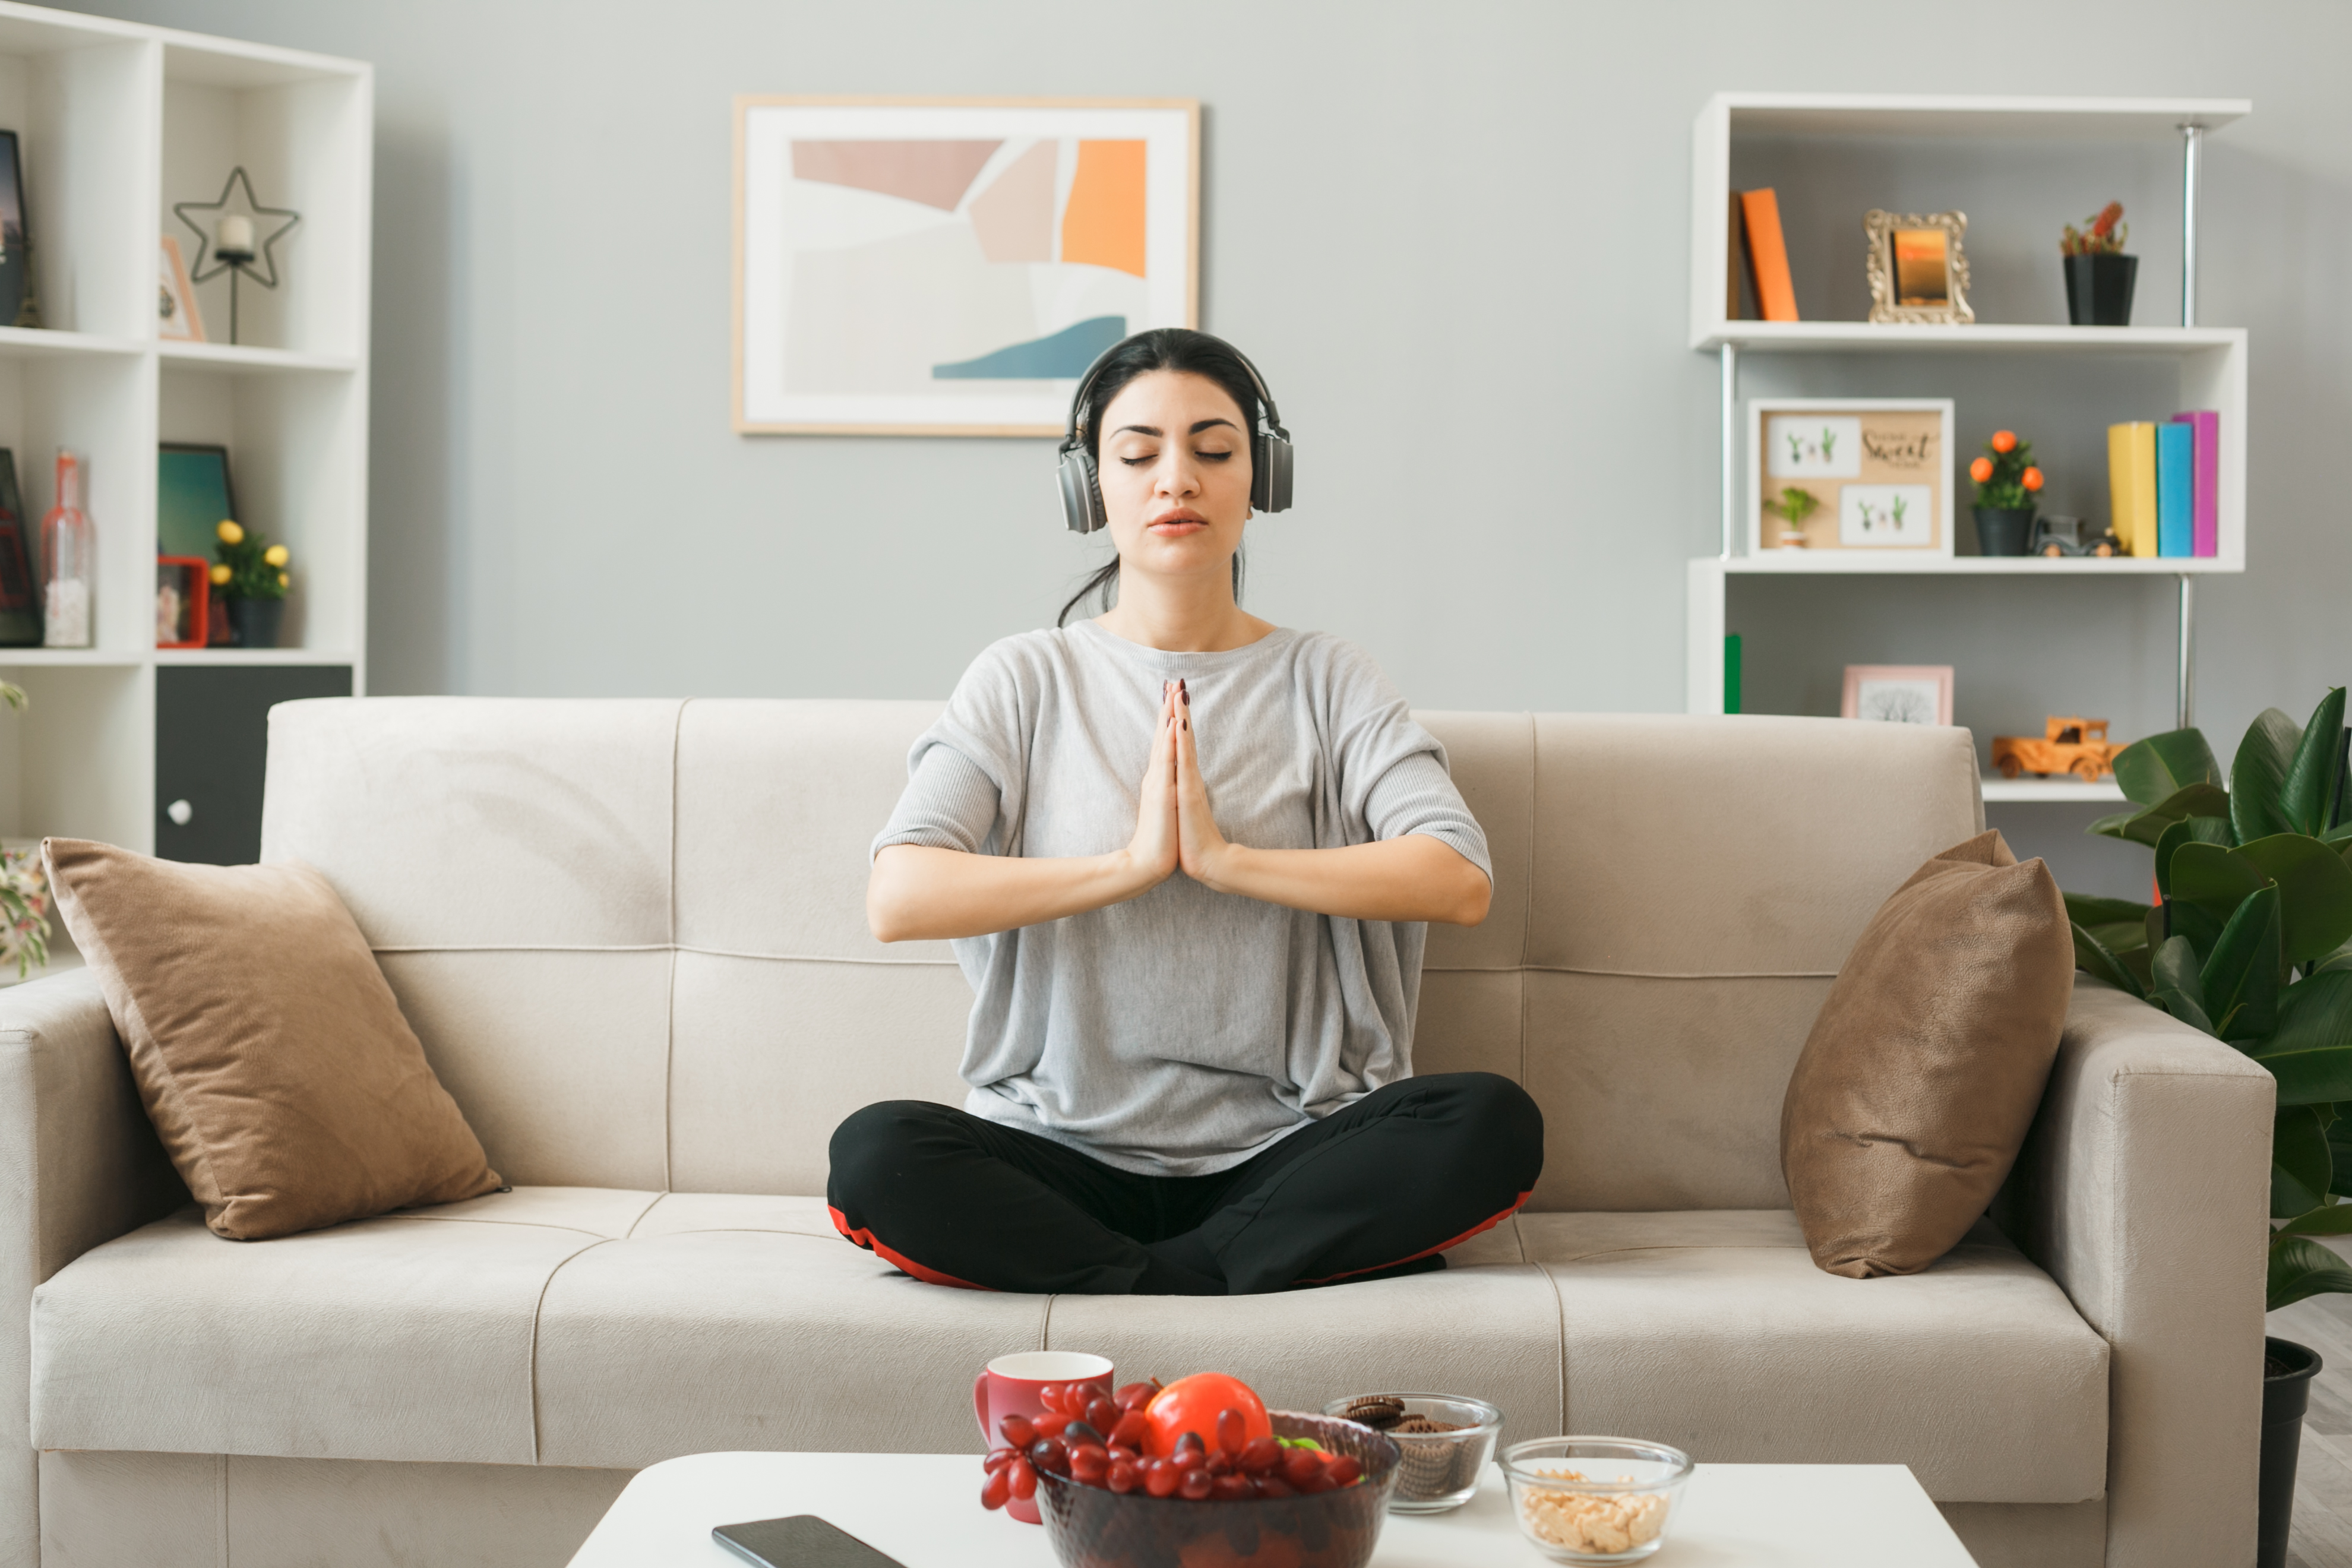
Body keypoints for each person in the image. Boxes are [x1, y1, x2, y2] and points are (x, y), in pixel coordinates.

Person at [826, 328, 1542, 1295]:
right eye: (1138, 454)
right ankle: (1213, 1277)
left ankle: (1139, 1282)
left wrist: (1223, 859)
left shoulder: (1327, 677)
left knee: (1491, 1124)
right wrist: (1129, 865)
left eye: (1213, 451)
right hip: (1062, 1153)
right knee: (876, 1154)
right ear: (1090, 486)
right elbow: (898, 894)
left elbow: (1455, 875)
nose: (1178, 480)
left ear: (1263, 478)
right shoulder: (1025, 679)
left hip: (1292, 1154)